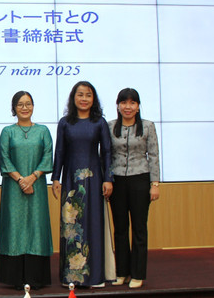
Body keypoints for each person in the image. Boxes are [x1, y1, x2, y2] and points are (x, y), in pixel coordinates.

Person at [51, 80, 113, 288]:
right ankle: (71, 276)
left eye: (88, 95)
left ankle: (94, 277)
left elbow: (107, 152)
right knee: (71, 226)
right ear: (73, 97)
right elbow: (60, 151)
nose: (84, 99)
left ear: (93, 99)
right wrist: (56, 178)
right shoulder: (65, 123)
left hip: (94, 180)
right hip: (70, 180)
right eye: (80, 94)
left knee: (93, 224)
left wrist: (108, 178)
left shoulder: (99, 122)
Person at [0, 91, 53, 290]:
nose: (25, 108)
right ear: (14, 108)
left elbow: (47, 156)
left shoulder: (43, 131)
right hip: (14, 188)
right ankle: (15, 278)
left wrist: (32, 178)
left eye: (28, 104)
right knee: (14, 226)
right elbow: (4, 158)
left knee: (37, 225)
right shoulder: (7, 132)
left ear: (33, 106)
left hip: (37, 186)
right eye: (20, 104)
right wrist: (21, 180)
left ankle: (37, 277)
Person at [108, 88, 160, 289]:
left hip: (140, 180)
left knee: (139, 228)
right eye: (123, 102)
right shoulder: (110, 126)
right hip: (117, 181)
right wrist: (107, 179)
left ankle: (138, 273)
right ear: (118, 105)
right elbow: (106, 155)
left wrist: (154, 184)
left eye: (132, 103)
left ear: (138, 106)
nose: (127, 107)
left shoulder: (147, 126)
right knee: (120, 228)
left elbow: (153, 155)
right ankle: (122, 272)